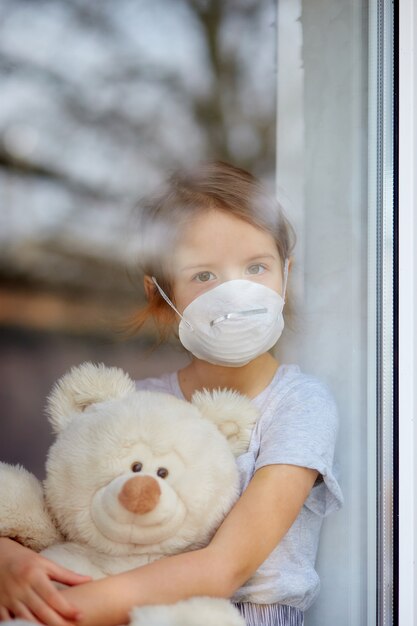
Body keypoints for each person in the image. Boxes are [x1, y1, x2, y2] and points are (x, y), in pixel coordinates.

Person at [0, 162, 343, 626]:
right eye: (204, 275)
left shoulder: (298, 404)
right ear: (162, 297)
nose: (236, 293)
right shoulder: (135, 406)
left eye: (256, 267)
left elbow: (225, 568)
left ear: (286, 273)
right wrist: (8, 558)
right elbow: (66, 513)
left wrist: (58, 613)